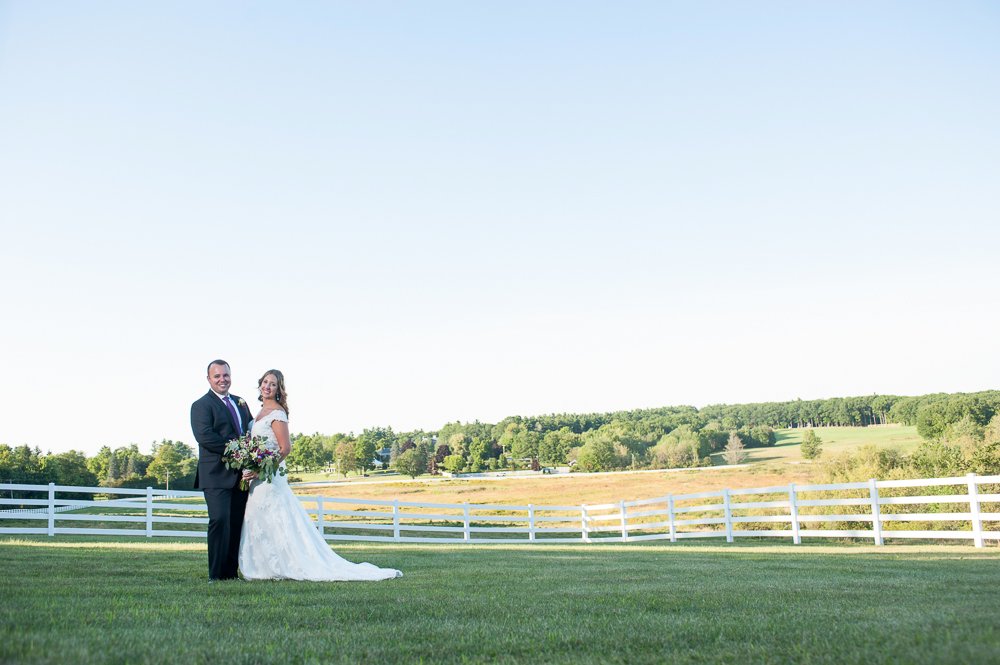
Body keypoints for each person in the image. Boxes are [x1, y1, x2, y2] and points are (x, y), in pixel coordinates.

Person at [239, 369, 402, 581]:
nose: (267, 387)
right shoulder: (258, 413)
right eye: (265, 382)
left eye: (273, 384)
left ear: (279, 390)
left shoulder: (278, 414)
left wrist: (262, 469)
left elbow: (285, 448)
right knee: (259, 517)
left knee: (277, 517)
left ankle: (287, 564)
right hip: (257, 477)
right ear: (260, 384)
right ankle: (264, 566)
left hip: (270, 476)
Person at [191, 359, 254, 582]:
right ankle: (216, 574)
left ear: (231, 376)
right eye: (217, 376)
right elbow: (205, 437)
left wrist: (253, 457)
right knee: (219, 520)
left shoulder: (241, 402)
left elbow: (250, 432)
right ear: (209, 379)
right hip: (216, 474)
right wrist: (236, 451)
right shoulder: (200, 405)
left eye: (225, 375)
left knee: (236, 522)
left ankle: (230, 573)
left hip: (241, 476)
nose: (222, 379)